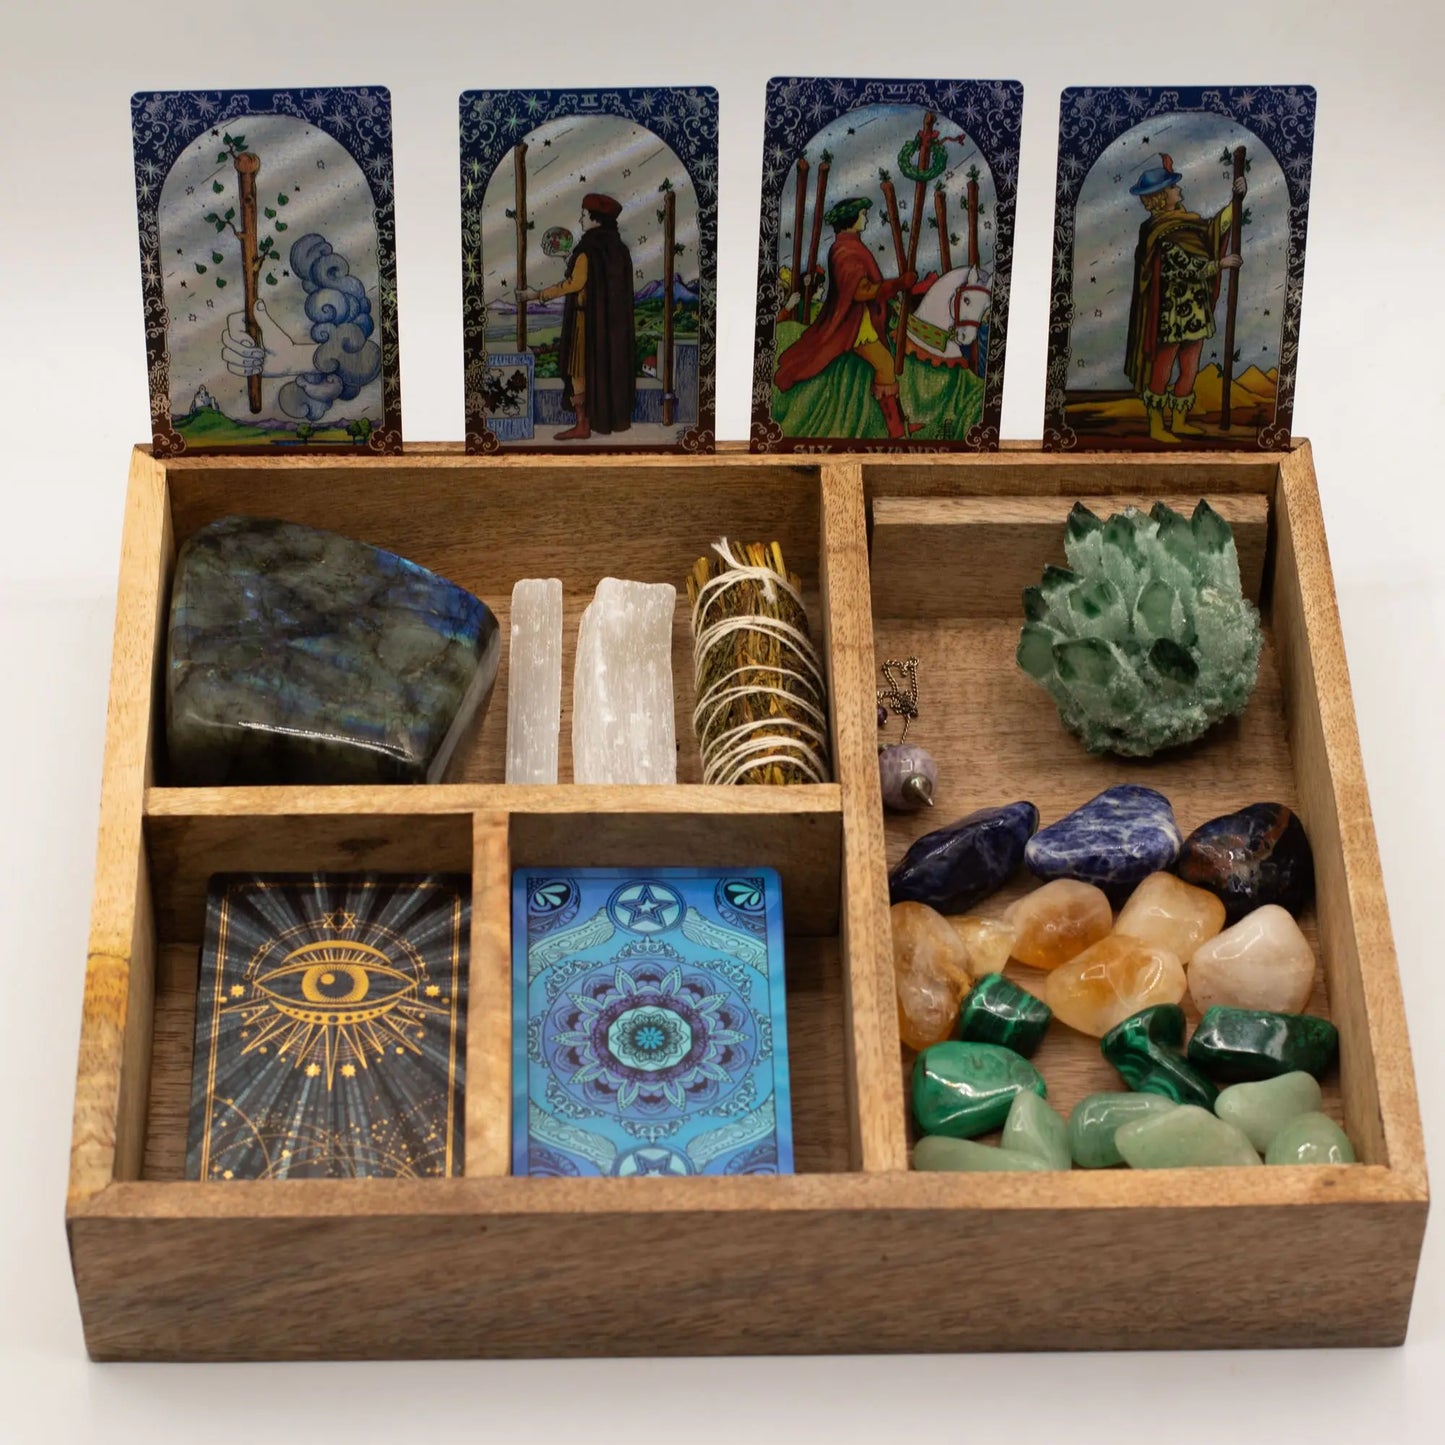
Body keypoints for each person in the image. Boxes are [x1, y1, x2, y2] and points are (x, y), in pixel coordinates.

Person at [774, 197, 933, 439]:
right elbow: (860, 290)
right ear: (851, 219)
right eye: (862, 214)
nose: (866, 218)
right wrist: (898, 284)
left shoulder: (852, 245)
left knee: (887, 361)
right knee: (885, 365)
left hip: (864, 318)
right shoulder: (844, 250)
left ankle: (899, 424)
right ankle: (896, 430)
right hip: (852, 323)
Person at [1124, 153, 1247, 444]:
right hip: (1170, 315)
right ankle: (1157, 426)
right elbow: (1184, 266)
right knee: (1163, 368)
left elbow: (1213, 230)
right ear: (1161, 197)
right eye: (1173, 187)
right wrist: (1220, 264)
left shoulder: (1187, 222)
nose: (1179, 190)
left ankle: (1179, 421)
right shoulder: (1160, 233)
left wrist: (1236, 200)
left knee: (1190, 366)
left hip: (1195, 309)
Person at [516, 192, 635, 439]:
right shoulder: (618, 249)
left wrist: (536, 295)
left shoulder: (589, 249)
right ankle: (600, 421)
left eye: (583, 215)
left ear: (596, 219)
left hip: (586, 323)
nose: (580, 220)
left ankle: (582, 424)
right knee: (604, 371)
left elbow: (574, 283)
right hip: (610, 327)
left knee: (578, 371)